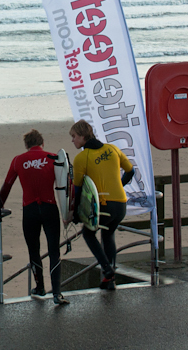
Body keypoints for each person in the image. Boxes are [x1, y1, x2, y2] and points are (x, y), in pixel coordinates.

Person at [0, 129, 69, 305]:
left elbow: (7, 186)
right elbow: (66, 186)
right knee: (54, 250)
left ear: (26, 145)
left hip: (29, 210)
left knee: (34, 250)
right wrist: (69, 211)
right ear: (42, 143)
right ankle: (57, 293)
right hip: (50, 208)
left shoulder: (18, 160)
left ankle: (40, 287)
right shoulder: (53, 157)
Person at [70, 120, 134, 291]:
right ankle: (109, 280)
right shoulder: (112, 149)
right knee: (108, 234)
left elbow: (77, 189)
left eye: (74, 137)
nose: (73, 140)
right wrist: (120, 185)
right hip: (121, 204)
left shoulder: (82, 158)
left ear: (83, 136)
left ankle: (107, 269)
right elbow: (131, 171)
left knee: (88, 234)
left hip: (103, 205)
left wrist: (75, 213)